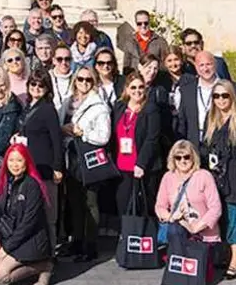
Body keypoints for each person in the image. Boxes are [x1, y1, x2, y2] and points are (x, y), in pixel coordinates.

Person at [0, 144, 54, 285]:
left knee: (1, 275)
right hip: (9, 233)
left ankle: (43, 266)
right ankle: (10, 262)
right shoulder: (5, 181)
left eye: (19, 160)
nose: (15, 165)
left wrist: (6, 249)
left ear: (27, 162)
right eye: (11, 160)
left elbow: (28, 224)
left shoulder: (32, 185)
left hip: (30, 239)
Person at [61, 64, 112, 261]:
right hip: (71, 158)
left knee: (90, 203)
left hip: (89, 159)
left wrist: (83, 133)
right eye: (80, 79)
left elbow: (104, 137)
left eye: (88, 79)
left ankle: (90, 246)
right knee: (74, 202)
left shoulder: (99, 106)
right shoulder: (68, 102)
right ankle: (76, 242)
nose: (84, 83)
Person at [202, 78, 236, 277]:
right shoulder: (211, 119)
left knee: (234, 219)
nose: (221, 100)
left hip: (233, 176)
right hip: (214, 178)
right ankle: (222, 255)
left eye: (225, 96)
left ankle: (235, 260)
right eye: (216, 96)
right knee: (218, 217)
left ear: (232, 97)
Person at [15, 70, 64, 246]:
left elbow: (57, 140)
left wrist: (58, 167)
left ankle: (50, 250)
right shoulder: (28, 107)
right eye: (33, 84)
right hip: (28, 165)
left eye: (41, 85)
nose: (36, 88)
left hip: (45, 167)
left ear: (47, 88)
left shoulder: (48, 110)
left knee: (48, 211)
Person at [112, 72, 163, 227]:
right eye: (133, 87)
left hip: (143, 166)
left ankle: (146, 239)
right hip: (122, 165)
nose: (137, 91)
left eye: (141, 87)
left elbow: (152, 138)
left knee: (144, 204)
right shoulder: (119, 107)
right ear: (127, 89)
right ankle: (126, 238)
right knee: (123, 203)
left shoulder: (151, 109)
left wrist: (141, 163)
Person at [177, 51, 236, 147]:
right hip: (195, 144)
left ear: (215, 65)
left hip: (222, 144)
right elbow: (183, 121)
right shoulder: (187, 90)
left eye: (209, 64)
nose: (205, 69)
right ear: (196, 67)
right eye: (201, 65)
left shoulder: (233, 88)